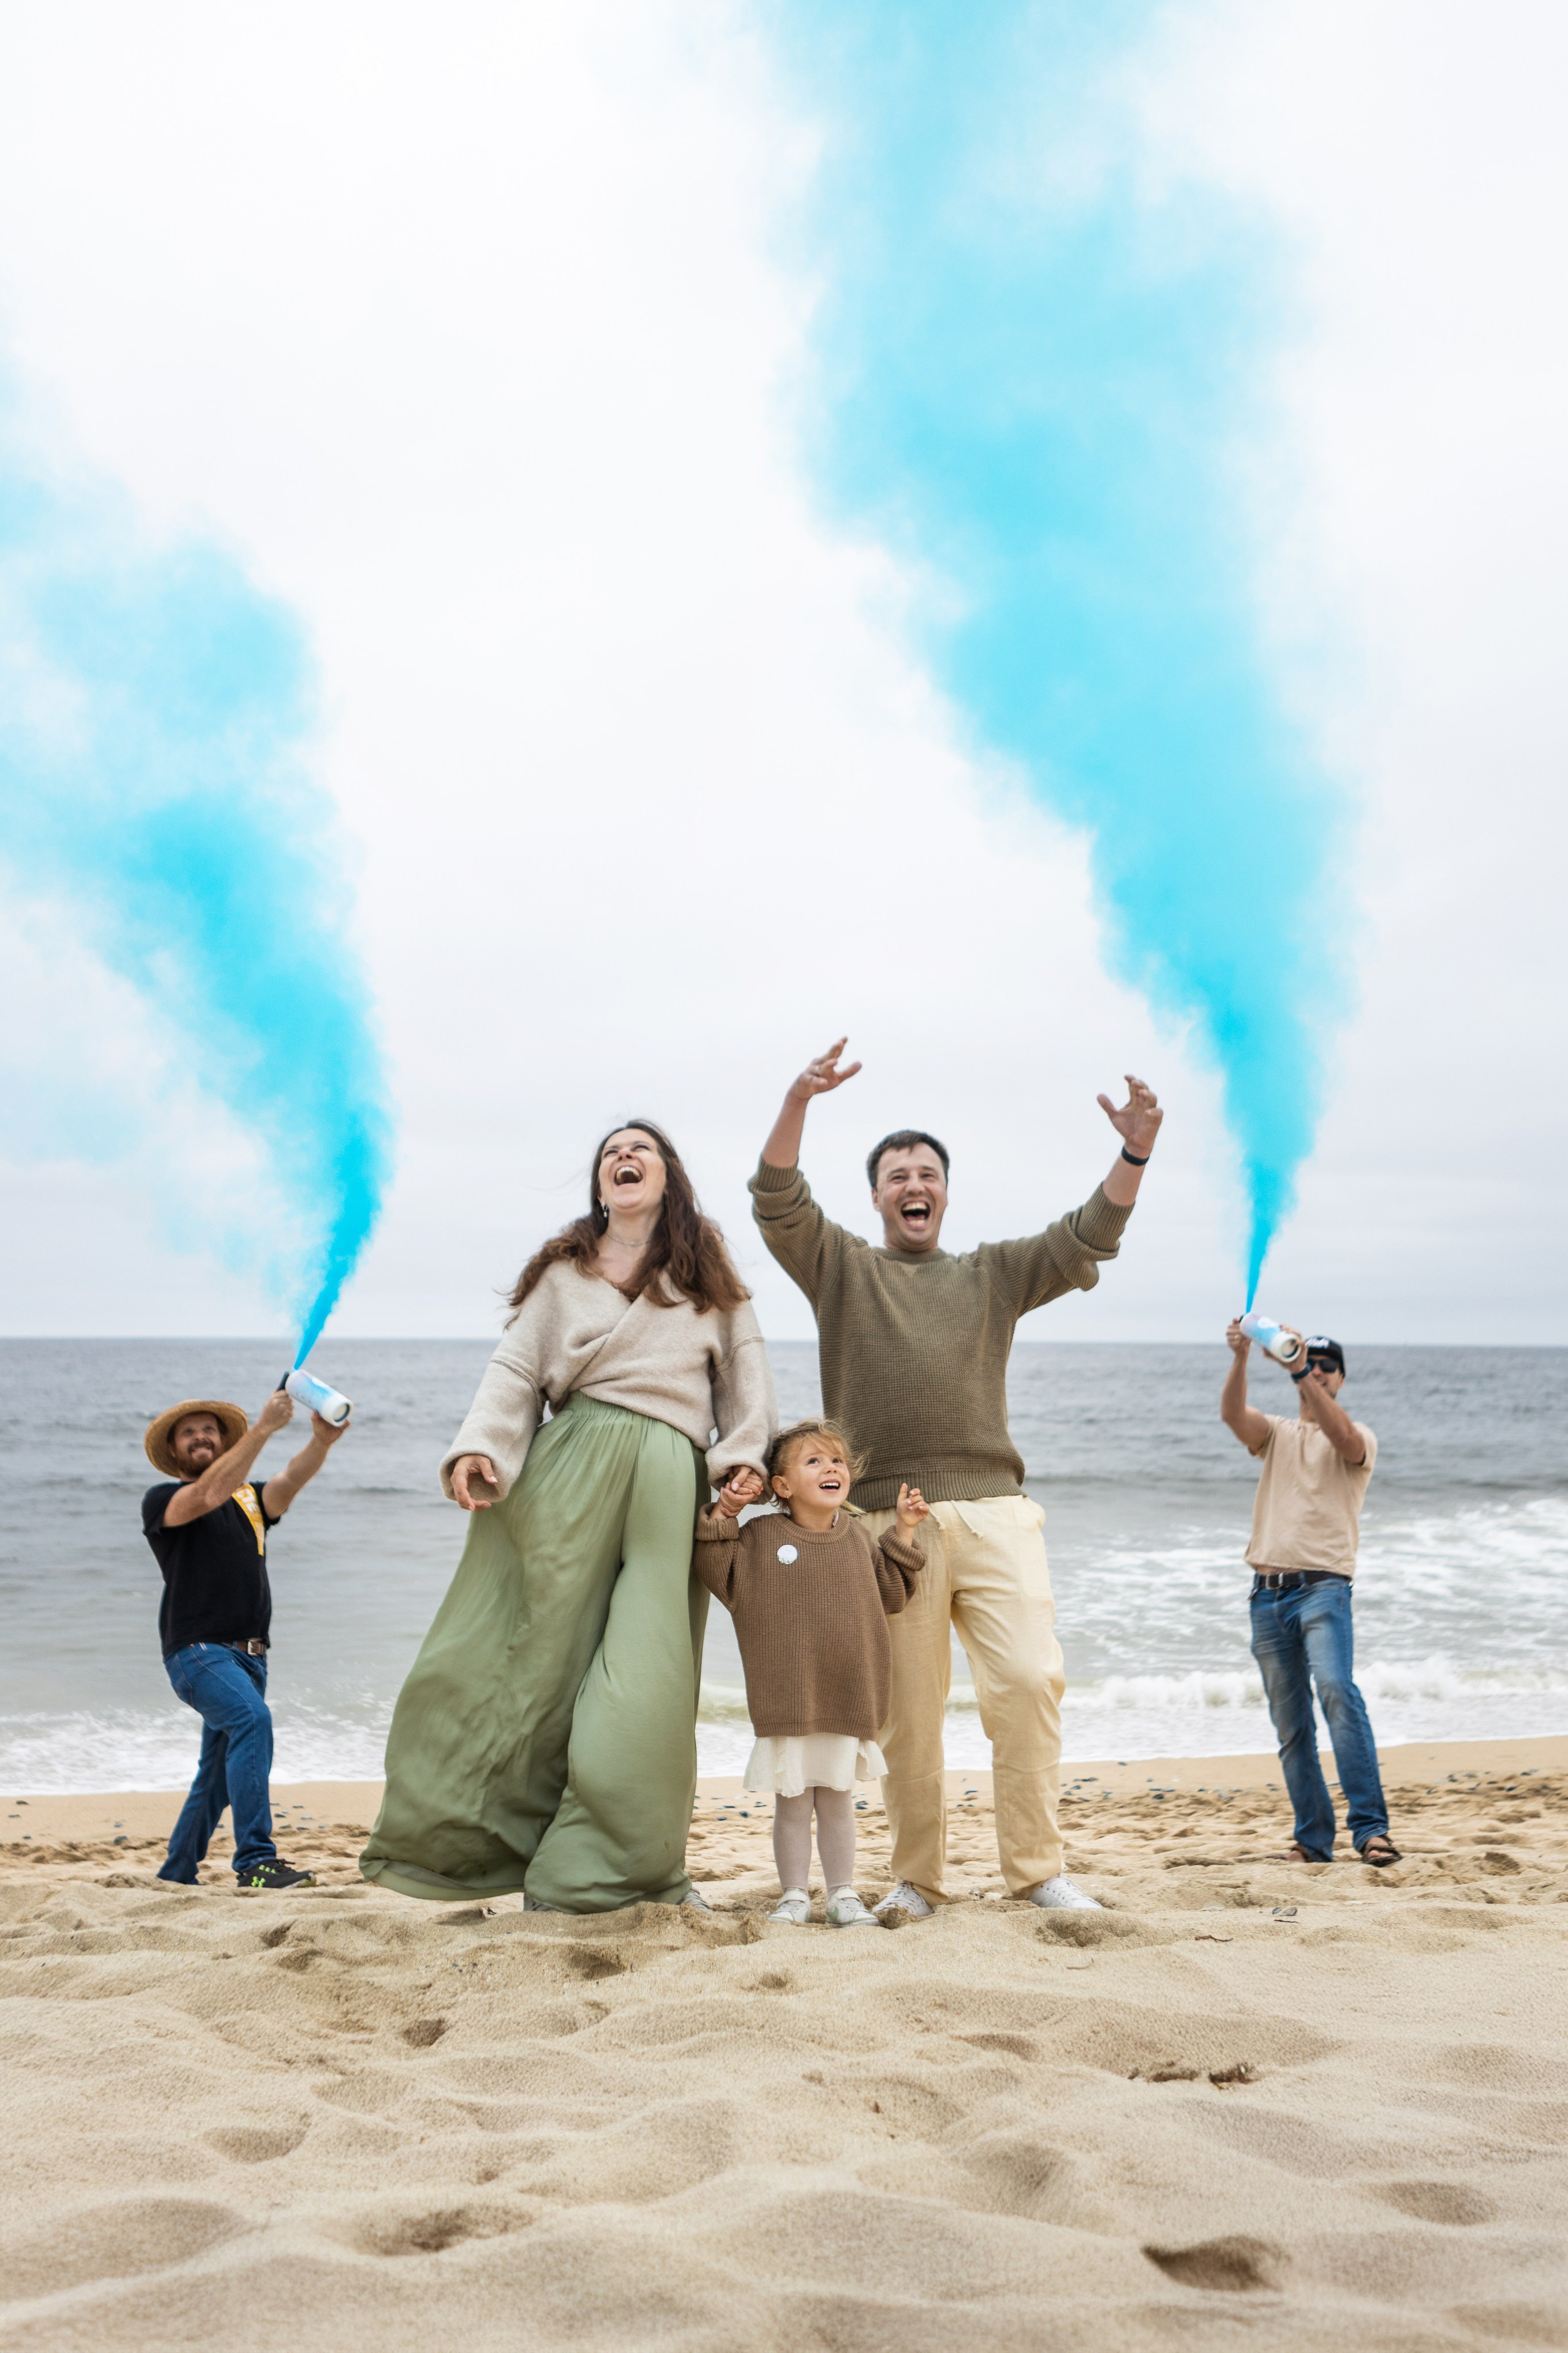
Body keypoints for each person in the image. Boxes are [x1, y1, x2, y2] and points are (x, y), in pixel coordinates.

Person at [750, 1038, 1161, 1920]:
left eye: (927, 1171)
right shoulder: (842, 1269)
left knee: (1027, 1681)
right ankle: (917, 1878)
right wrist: (798, 1101)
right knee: (907, 1713)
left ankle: (1038, 1870)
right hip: (880, 1526)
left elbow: (1091, 1233)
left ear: (944, 1190)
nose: (914, 1184)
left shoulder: (992, 1274)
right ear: (876, 1196)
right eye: (897, 1173)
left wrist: (1133, 1153)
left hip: (995, 1512)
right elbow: (777, 1201)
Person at [361, 1120, 776, 1913]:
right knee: (525, 1666)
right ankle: (476, 1851)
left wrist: (742, 1463)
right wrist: (482, 1448)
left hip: (667, 1479)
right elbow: (516, 1368)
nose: (623, 1157)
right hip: (568, 1468)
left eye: (640, 1149)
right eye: (611, 1152)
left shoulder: (711, 1279)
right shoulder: (562, 1274)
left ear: (669, 1176)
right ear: (599, 1183)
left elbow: (746, 1383)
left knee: (646, 1680)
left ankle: (616, 1873)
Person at [696, 1418, 929, 1927]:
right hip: (789, 1699)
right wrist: (729, 1509)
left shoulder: (859, 1539)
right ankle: (795, 1895)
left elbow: (891, 1593)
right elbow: (716, 1567)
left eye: (837, 1460)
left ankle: (843, 1893)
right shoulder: (760, 1538)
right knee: (794, 1805)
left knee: (840, 1801)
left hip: (846, 1697)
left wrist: (905, 1531)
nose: (831, 1468)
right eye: (814, 1461)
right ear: (781, 1486)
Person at [142, 1389, 349, 1890]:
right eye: (188, 1432)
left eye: (208, 1429)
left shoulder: (251, 1500)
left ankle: (175, 1875)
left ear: (222, 1440)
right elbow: (206, 1495)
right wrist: (263, 1429)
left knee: (215, 1775)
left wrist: (320, 1441)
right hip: (197, 1652)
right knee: (252, 1720)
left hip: (252, 1659)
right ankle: (255, 1860)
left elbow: (289, 1480)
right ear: (174, 1452)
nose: (200, 1436)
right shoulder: (164, 1500)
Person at [1221, 1321, 1400, 1867]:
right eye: (1310, 1362)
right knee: (1291, 1723)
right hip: (1267, 1595)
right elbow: (1232, 1416)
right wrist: (1243, 1356)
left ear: (1341, 1379)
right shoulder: (1277, 1433)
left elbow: (1343, 1440)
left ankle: (1371, 1831)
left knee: (1337, 1693)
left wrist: (1299, 1369)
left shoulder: (1357, 1436)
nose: (1317, 1370)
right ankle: (1313, 1841)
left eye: (1327, 1366)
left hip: (1324, 1589)